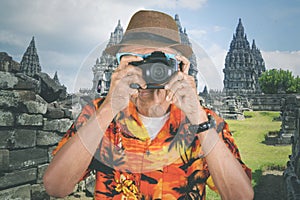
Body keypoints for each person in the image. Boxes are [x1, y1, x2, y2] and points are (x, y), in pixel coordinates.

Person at [43, 10, 254, 199]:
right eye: (139, 60)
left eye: (160, 60)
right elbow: (56, 187)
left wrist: (198, 118)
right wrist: (109, 108)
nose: (151, 69)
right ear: (121, 63)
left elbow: (241, 196)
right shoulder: (99, 114)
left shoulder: (205, 121)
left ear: (180, 64)